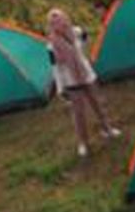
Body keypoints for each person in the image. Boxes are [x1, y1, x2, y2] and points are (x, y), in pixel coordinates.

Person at [46, 8, 119, 157]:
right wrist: (61, 89)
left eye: (60, 19)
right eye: (54, 22)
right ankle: (83, 143)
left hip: (86, 75)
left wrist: (81, 59)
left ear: (65, 18)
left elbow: (85, 41)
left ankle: (107, 129)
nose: (58, 23)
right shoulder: (51, 45)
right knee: (78, 113)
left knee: (97, 103)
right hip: (71, 80)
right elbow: (56, 69)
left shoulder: (76, 31)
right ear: (51, 25)